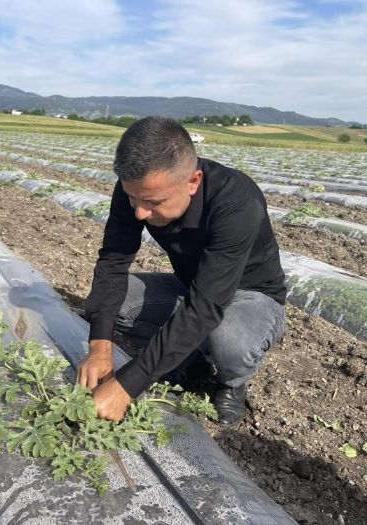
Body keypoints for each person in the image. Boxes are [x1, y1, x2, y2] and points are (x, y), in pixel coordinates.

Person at [76, 116, 286, 425]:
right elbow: (113, 262)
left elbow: (205, 307)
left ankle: (230, 382)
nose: (139, 212)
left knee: (230, 343)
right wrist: (99, 346)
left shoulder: (238, 203)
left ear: (193, 181)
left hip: (252, 296)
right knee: (107, 307)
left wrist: (127, 385)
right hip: (192, 286)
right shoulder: (137, 189)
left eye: (153, 202)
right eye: (132, 197)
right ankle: (189, 355)